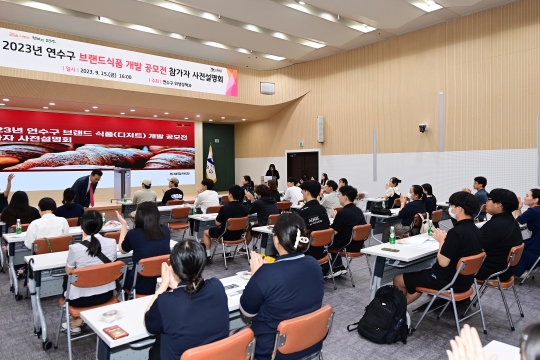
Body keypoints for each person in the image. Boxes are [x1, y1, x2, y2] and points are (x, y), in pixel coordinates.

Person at [240, 213, 324, 360]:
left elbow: (247, 312)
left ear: (276, 239)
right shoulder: (313, 264)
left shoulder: (266, 274)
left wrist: (256, 277)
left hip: (272, 351)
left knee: (232, 336)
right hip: (310, 343)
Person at [393, 191, 482, 305]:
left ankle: (396, 311)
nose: (450, 208)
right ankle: (400, 309)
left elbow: (443, 262)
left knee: (398, 278)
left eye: (452, 206)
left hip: (447, 281)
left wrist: (442, 241)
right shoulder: (476, 230)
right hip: (464, 281)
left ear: (459, 209)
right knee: (416, 279)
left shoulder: (456, 232)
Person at [145, 240, 229, 360]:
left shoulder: (166, 301)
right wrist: (176, 285)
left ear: (174, 267)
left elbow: (149, 325)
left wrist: (164, 284)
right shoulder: (217, 286)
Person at [63, 211, 117, 334]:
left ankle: (78, 320)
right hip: (106, 295)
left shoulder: (75, 248)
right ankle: (80, 320)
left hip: (80, 300)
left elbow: (69, 273)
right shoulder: (112, 243)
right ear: (101, 226)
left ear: (82, 227)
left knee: (67, 280)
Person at [116, 202, 171, 296]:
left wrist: (124, 225)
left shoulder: (133, 234)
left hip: (140, 285)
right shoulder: (165, 230)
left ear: (138, 216)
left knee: (121, 272)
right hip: (163, 281)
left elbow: (122, 250)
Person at [476, 188, 522, 281]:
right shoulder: (511, 221)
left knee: (447, 265)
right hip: (506, 270)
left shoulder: (495, 225)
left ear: (499, 204)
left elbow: (475, 247)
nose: (486, 203)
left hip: (492, 271)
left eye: (488, 200)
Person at [202, 185, 248, 263]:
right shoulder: (245, 208)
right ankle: (227, 253)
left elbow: (217, 223)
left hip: (225, 235)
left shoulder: (224, 208)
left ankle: (208, 256)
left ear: (230, 195)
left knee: (206, 232)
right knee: (230, 229)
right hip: (239, 235)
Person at [329, 185, 367, 277]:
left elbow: (334, 231)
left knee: (326, 243)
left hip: (346, 245)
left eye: (340, 195)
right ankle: (339, 266)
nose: (338, 197)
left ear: (345, 197)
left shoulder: (343, 213)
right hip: (359, 244)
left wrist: (335, 218)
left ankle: (334, 268)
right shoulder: (358, 210)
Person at [297, 180, 331, 268]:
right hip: (323, 251)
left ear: (307, 192)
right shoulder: (322, 209)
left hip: (307, 251)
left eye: (302, 191)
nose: (302, 193)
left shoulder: (301, 213)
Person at [243, 184, 279, 253]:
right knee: (257, 221)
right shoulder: (273, 200)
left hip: (264, 227)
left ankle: (244, 247)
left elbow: (249, 211)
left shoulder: (259, 202)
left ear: (259, 194)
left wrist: (249, 200)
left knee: (250, 227)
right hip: (274, 225)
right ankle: (251, 245)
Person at [514, 189, 540, 277]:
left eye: (527, 196)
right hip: (537, 239)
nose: (525, 198)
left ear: (536, 199)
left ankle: (517, 271)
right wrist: (518, 209)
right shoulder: (536, 210)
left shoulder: (533, 211)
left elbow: (515, 223)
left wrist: (513, 210)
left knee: (517, 246)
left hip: (537, 243)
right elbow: (523, 220)